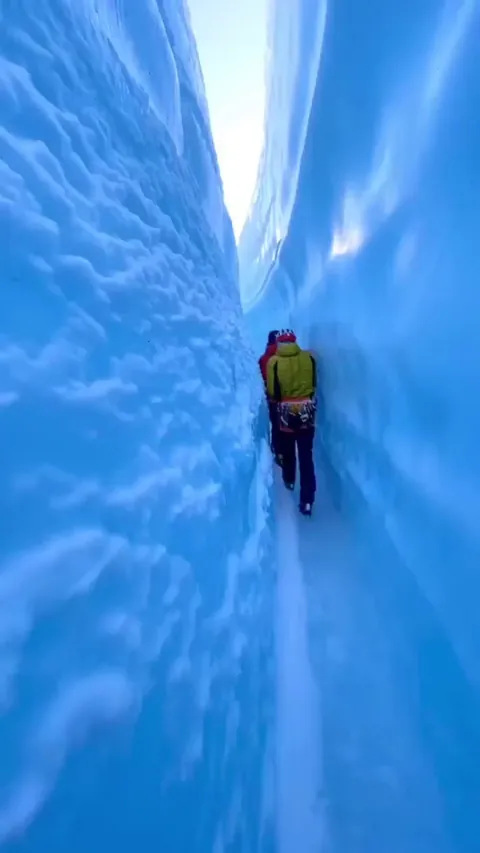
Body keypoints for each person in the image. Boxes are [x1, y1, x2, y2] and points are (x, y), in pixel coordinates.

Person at [266, 329, 317, 515]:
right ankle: (308, 500)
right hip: (306, 411)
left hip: (286, 413)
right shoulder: (309, 358)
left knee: (288, 450)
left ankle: (289, 480)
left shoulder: (274, 362)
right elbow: (313, 385)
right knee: (306, 455)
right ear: (294, 340)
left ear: (279, 342)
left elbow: (273, 391)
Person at [258, 330, 281, 462]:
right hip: (284, 395)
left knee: (276, 425)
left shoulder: (263, 358)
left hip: (270, 396)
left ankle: (277, 450)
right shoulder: (281, 357)